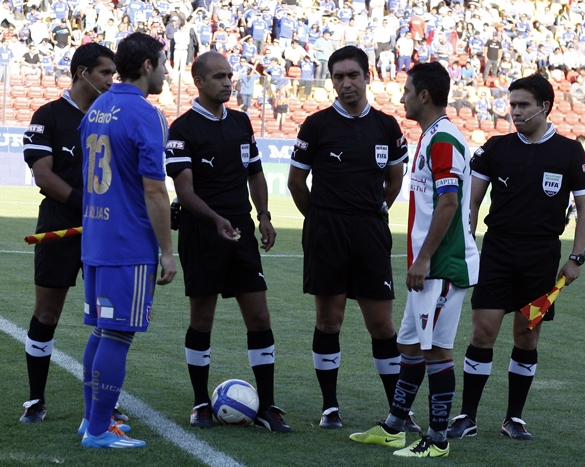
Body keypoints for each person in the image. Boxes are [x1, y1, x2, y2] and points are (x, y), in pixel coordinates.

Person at [447, 72, 585, 441]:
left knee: (527, 337)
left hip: (541, 258)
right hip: (497, 252)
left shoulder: (569, 151)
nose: (514, 111)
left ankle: (514, 418)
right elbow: (472, 202)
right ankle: (467, 416)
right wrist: (467, 241)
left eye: (522, 105)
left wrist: (577, 256)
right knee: (482, 333)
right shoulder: (495, 148)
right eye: (511, 104)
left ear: (543, 107)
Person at [349, 61, 479, 458]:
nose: (402, 97)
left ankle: (437, 440)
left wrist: (422, 260)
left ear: (424, 95)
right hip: (431, 266)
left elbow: (449, 202)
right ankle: (394, 426)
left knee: (436, 351)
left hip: (442, 266)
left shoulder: (443, 140)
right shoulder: (431, 136)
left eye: (406, 90)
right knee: (408, 344)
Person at [165, 51, 292, 433]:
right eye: (219, 76)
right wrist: (215, 219)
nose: (227, 81)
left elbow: (256, 173)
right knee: (202, 318)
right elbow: (184, 191)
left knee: (259, 316)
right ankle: (201, 402)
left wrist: (264, 215)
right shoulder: (182, 128)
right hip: (201, 233)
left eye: (230, 75)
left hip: (240, 233)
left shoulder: (241, 122)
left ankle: (267, 406)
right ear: (199, 82)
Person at [287, 46, 409, 429]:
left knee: (383, 325)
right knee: (329, 321)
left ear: (367, 76)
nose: (345, 83)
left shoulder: (387, 126)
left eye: (352, 75)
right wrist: (323, 219)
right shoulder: (316, 125)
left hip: (371, 231)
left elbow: (394, 179)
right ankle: (330, 408)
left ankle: (398, 412)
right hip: (327, 232)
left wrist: (373, 212)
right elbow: (295, 183)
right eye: (338, 77)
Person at [79, 32, 177, 449]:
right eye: (163, 62)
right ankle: (100, 430)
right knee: (117, 334)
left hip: (96, 239)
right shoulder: (146, 114)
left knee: (101, 332)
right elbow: (155, 190)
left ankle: (91, 421)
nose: (167, 71)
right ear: (148, 66)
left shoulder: (98, 104)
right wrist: (167, 251)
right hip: (128, 242)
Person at [20, 43, 118, 425]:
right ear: (82, 73)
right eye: (105, 73)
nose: (112, 80)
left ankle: (104, 401)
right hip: (61, 225)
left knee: (107, 316)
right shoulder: (47, 115)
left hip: (104, 229)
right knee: (47, 313)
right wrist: (86, 205)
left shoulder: (112, 116)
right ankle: (35, 400)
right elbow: (43, 176)